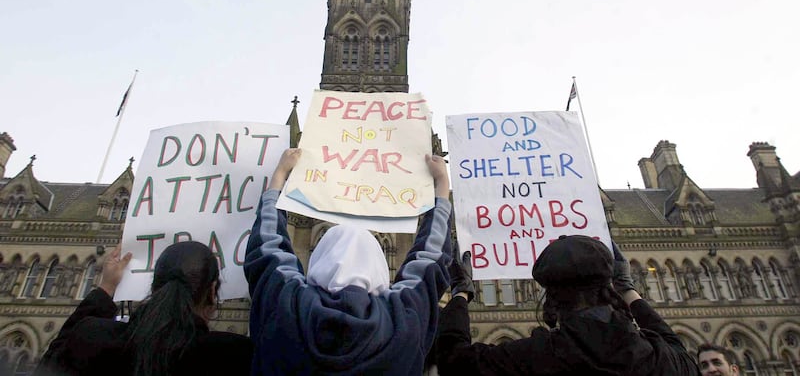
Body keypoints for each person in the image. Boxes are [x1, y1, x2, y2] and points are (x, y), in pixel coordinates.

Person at [244, 148, 453, 375]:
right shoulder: (403, 321)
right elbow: (430, 257)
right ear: (378, 267)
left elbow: (267, 246)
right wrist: (441, 185)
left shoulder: (286, 306)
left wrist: (280, 175)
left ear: (320, 259)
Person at [437, 235, 700, 376]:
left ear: (549, 297)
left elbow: (453, 361)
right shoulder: (655, 356)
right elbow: (678, 349)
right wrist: (628, 290)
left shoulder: (537, 356)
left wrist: (461, 293)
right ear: (608, 286)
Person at [34, 241, 253, 376]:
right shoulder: (233, 356)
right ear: (212, 292)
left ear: (154, 285)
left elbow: (48, 365)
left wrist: (106, 287)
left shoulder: (91, 337)